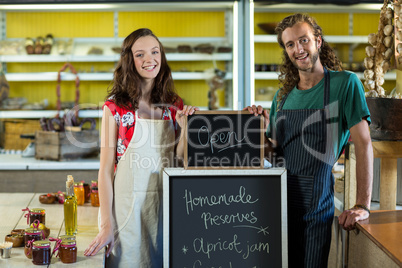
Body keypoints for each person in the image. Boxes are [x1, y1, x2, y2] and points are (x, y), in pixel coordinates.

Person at [245, 13, 373, 267]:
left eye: (303, 40)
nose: (298, 49)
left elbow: (363, 143)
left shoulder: (345, 84)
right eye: (290, 44)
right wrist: (256, 127)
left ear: (318, 41)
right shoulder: (282, 96)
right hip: (278, 204)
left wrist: (362, 205)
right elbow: (272, 153)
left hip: (317, 207)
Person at [83, 28, 198, 267]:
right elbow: (105, 171)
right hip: (127, 212)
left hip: (164, 208)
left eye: (155, 52)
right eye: (140, 54)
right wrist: (107, 225)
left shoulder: (173, 104)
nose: (150, 60)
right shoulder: (115, 107)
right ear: (129, 60)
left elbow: (177, 160)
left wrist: (186, 128)